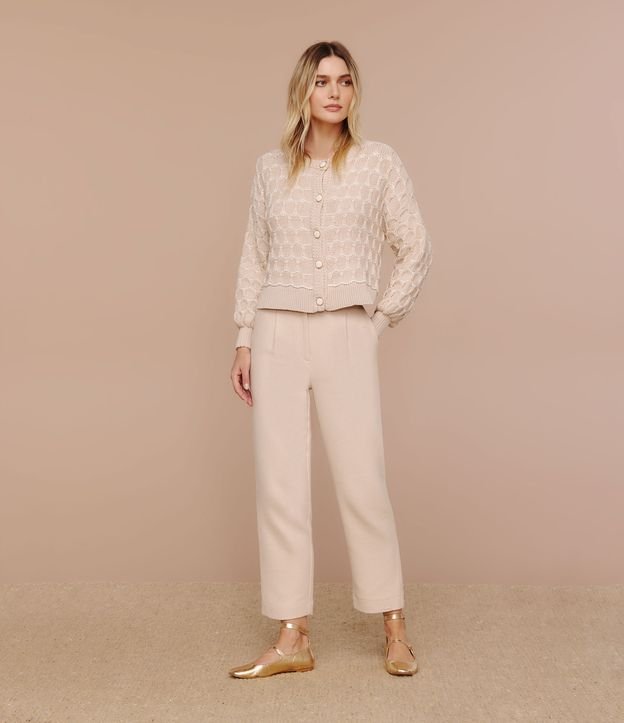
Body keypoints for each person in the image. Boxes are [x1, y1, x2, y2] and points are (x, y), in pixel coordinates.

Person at [228, 40, 432, 678]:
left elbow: (415, 246)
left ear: (354, 91)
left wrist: (379, 320)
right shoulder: (269, 169)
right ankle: (293, 636)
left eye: (344, 81)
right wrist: (243, 336)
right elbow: (255, 254)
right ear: (303, 91)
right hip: (276, 331)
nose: (335, 91)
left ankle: (394, 626)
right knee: (280, 485)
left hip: (347, 329)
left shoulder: (377, 163)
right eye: (322, 81)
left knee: (362, 480)